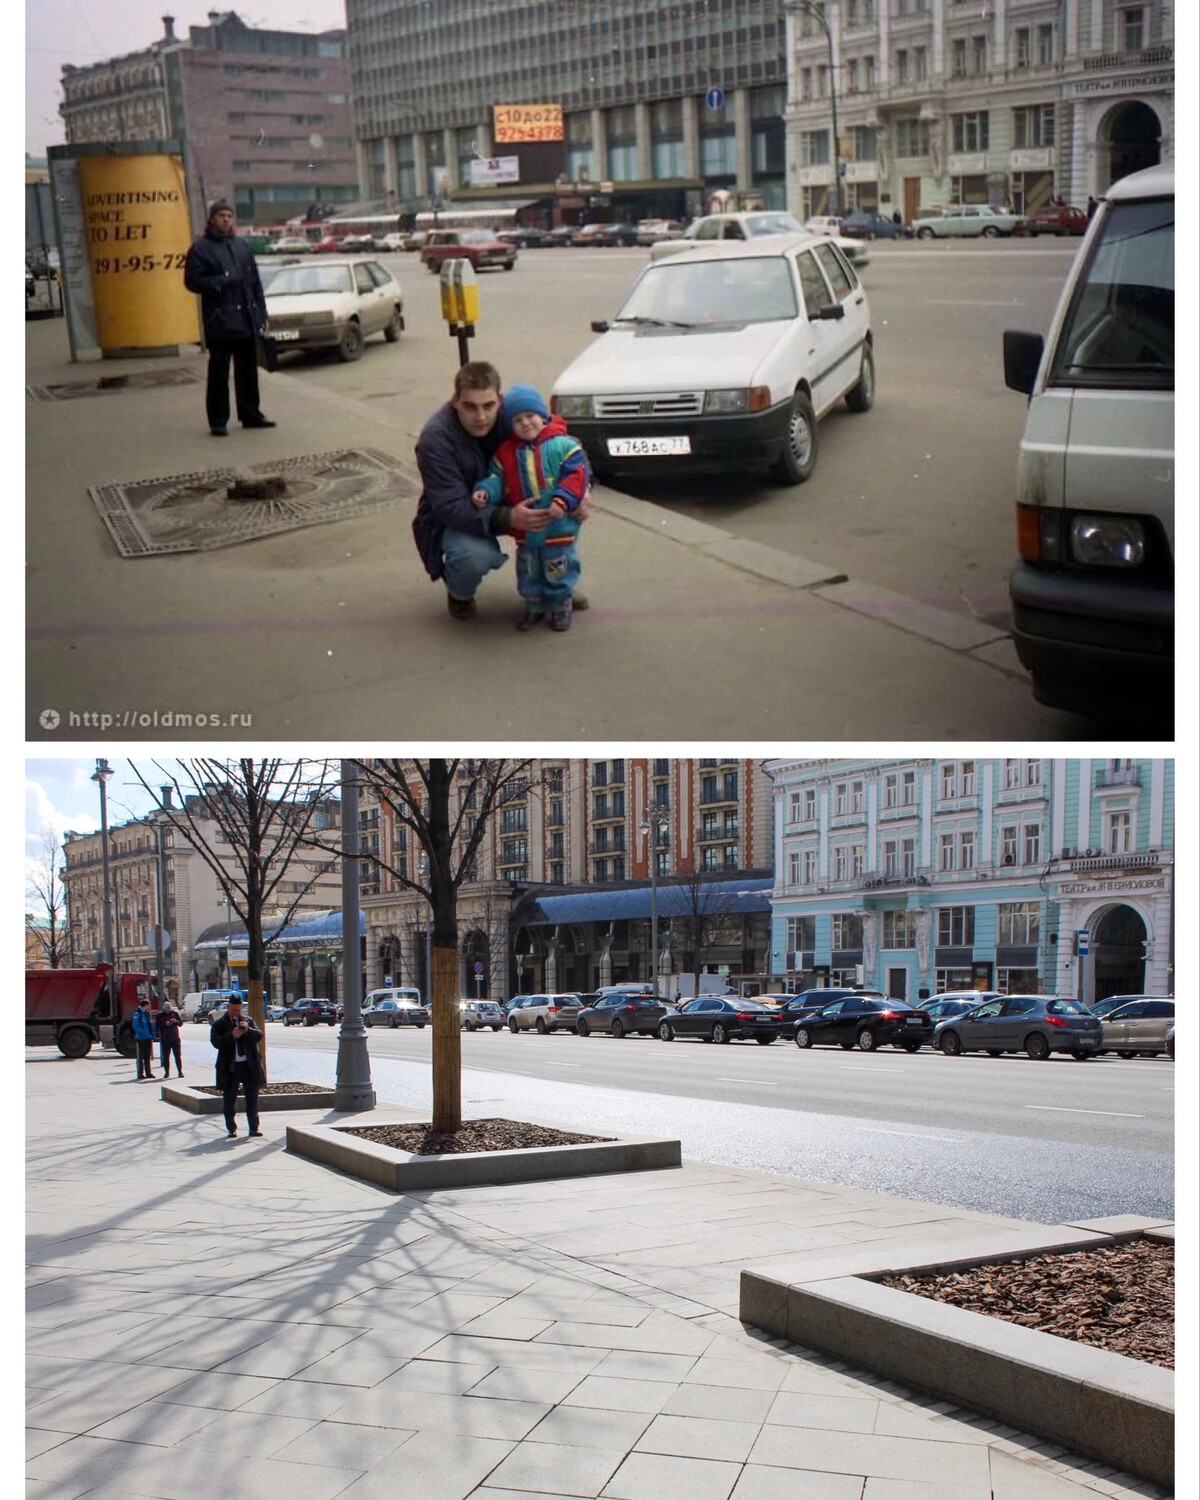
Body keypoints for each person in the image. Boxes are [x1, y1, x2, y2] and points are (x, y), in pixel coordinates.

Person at [412, 362, 591, 620]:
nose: (481, 416)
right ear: (455, 402)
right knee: (472, 555)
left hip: (528, 501)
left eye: (488, 406)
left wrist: (584, 489)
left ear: (500, 400)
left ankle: (557, 589)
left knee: (564, 516)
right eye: (470, 407)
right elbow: (450, 507)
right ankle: (459, 593)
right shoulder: (435, 440)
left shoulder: (518, 413)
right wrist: (509, 517)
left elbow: (566, 447)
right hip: (468, 513)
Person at [471, 384, 589, 631]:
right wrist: (485, 491)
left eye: (530, 416)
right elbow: (496, 478)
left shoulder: (563, 446)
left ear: (543, 416)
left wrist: (562, 501)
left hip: (559, 526)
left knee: (559, 567)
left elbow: (576, 475)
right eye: (517, 420)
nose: (525, 423)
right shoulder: (506, 453)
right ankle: (533, 604)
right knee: (528, 569)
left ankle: (560, 605)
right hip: (526, 532)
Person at [183, 198, 275, 438]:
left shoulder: (242, 246)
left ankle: (251, 415)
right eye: (221, 215)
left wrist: (262, 312)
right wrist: (221, 281)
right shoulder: (201, 248)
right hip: (220, 321)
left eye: (229, 216)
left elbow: (254, 283)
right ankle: (218, 420)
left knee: (248, 371)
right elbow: (192, 282)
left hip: (246, 319)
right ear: (212, 219)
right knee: (219, 373)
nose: (226, 220)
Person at [210, 995, 264, 1138]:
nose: (236, 1013)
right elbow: (216, 1042)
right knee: (229, 1099)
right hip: (230, 1068)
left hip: (249, 1066)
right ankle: (231, 1128)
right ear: (228, 1007)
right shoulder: (219, 1024)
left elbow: (259, 1035)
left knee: (252, 1098)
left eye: (239, 1010)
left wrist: (248, 1030)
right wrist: (231, 1036)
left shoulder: (248, 1021)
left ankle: (254, 1127)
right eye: (233, 1010)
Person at [157, 1000, 183, 1079]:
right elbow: (158, 1026)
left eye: (169, 1008)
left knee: (177, 1056)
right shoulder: (160, 1015)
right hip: (165, 1039)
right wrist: (165, 1024)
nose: (168, 1009)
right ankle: (167, 1072)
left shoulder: (174, 1014)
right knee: (166, 1057)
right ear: (164, 1008)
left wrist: (176, 1021)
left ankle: (180, 1072)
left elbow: (180, 1023)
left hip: (175, 1038)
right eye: (166, 1008)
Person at [131, 999, 155, 1081]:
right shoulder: (137, 1014)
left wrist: (151, 1035)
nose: (149, 1007)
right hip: (141, 1038)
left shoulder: (146, 1014)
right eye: (148, 1005)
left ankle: (148, 1072)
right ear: (145, 1005)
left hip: (148, 1038)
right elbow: (136, 1026)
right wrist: (143, 1033)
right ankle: (140, 1073)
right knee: (140, 1057)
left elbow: (149, 1025)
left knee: (147, 1057)